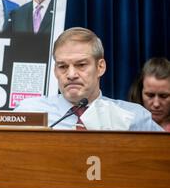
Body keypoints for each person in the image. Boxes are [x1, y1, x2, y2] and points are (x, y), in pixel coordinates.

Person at [14, 27, 163, 131]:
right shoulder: (29, 112)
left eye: (81, 65)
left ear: (100, 67)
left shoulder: (132, 117)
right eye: (63, 66)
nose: (71, 74)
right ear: (55, 71)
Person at [128, 57, 170, 131]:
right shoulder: (125, 124)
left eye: (164, 96)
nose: (156, 104)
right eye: (150, 95)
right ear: (139, 92)